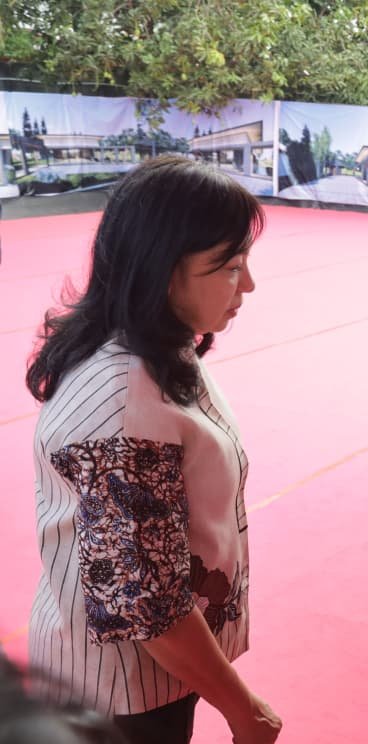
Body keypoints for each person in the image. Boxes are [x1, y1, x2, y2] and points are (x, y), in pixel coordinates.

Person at [24, 156, 282, 744]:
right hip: (117, 696)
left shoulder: (154, 350)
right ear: (164, 270)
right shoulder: (122, 404)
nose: (247, 284)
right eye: (230, 266)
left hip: (144, 677)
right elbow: (146, 605)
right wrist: (244, 709)